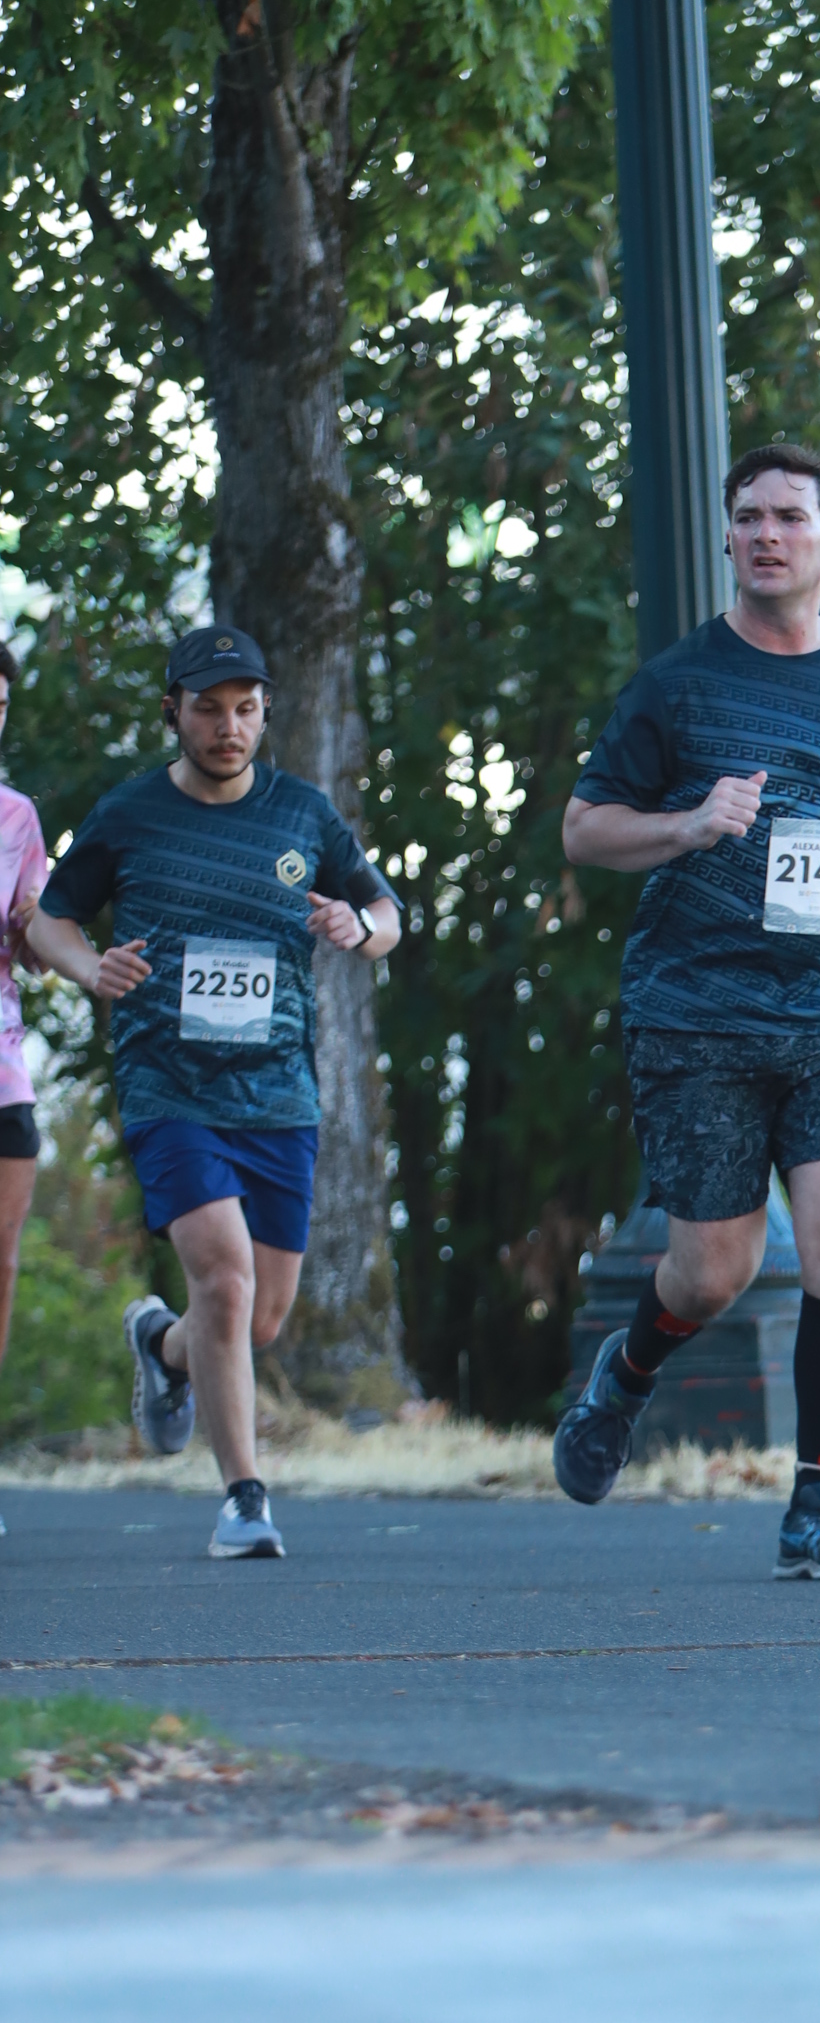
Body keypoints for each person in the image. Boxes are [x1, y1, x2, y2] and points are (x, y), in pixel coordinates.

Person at [555, 440, 820, 1578]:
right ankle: (625, 1378)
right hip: (697, 1009)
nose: (765, 534)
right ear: (728, 537)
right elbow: (585, 831)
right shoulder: (678, 683)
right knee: (714, 1273)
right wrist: (689, 824)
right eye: (748, 516)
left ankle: (815, 1505)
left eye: (789, 517)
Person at [23, 625, 400, 1559]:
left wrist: (358, 928)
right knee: (225, 1282)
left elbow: (388, 912)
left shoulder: (302, 813)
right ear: (173, 713)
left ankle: (162, 1347)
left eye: (245, 710)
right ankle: (244, 1500)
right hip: (170, 1085)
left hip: (278, 1094)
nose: (228, 727)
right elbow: (49, 921)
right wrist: (89, 969)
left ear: (266, 714)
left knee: (259, 1317)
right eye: (208, 710)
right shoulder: (129, 814)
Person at [0, 640, 49, 1536]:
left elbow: (36, 937)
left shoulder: (16, 818)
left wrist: (46, 928)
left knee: (0, 1264)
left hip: (2, 1073)